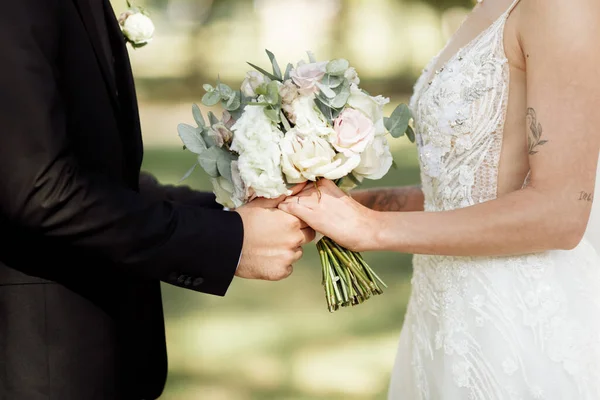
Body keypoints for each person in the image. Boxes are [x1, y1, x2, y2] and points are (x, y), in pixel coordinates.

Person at [280, 0, 600, 398]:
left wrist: (373, 229)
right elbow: (470, 193)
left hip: (515, 327)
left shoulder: (562, 7)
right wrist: (359, 206)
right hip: (442, 321)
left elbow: (560, 212)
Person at [0, 0, 314, 399]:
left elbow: (99, 177)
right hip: (39, 363)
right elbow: (39, 189)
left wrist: (241, 212)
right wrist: (230, 241)